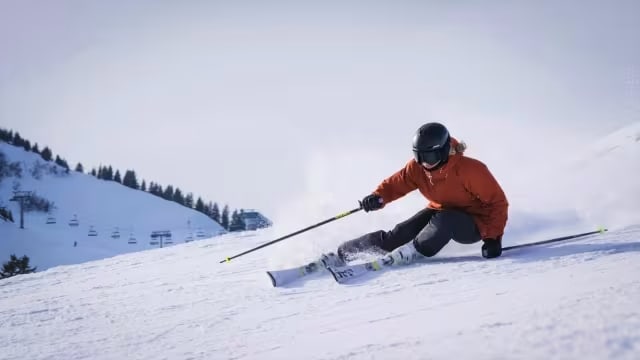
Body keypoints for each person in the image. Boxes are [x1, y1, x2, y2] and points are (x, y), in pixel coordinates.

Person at [329, 122, 508, 266]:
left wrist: (493, 239)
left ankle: (411, 252)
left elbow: (497, 203)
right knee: (400, 232)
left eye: (429, 157)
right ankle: (345, 253)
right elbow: (398, 183)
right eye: (419, 156)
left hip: (474, 223)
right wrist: (378, 197)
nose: (424, 163)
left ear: (443, 151)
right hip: (440, 211)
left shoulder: (470, 170)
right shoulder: (417, 168)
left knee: (445, 220)